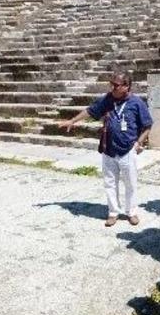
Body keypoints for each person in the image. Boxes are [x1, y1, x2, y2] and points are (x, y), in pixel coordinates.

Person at [59, 71, 153, 227]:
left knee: (130, 183)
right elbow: (90, 110)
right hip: (108, 149)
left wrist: (138, 143)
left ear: (126, 86)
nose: (112, 88)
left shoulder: (137, 103)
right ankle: (113, 212)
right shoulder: (107, 99)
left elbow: (147, 125)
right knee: (110, 183)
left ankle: (131, 212)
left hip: (127, 149)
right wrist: (72, 121)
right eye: (111, 84)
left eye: (116, 85)